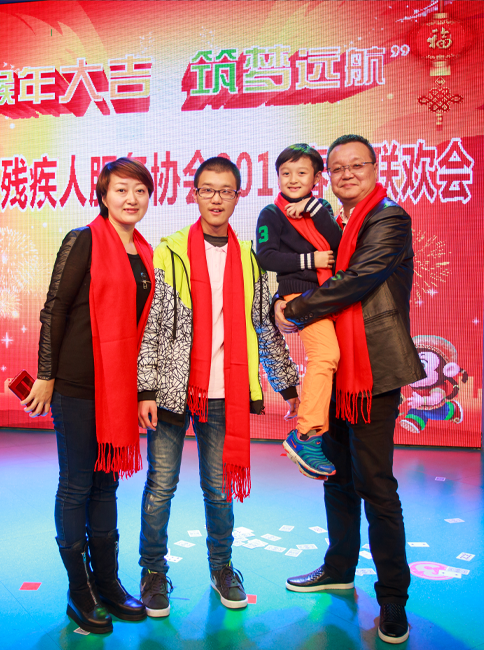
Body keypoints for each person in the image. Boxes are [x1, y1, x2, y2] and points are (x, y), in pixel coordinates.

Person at [274, 135, 425, 645]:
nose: (346, 174)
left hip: (373, 373)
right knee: (336, 479)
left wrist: (296, 310)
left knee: (376, 487)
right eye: (336, 168)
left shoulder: (388, 219)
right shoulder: (333, 226)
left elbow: (359, 278)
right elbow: (302, 269)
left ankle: (393, 600)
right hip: (339, 370)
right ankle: (339, 568)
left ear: (375, 168)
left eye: (356, 165)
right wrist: (283, 301)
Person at [137, 156, 299, 616]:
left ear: (237, 197)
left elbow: (263, 326)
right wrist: (146, 389)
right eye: (207, 189)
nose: (216, 199)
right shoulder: (170, 252)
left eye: (225, 191)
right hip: (173, 388)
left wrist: (288, 386)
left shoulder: (250, 259)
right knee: (160, 486)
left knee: (219, 488)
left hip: (224, 390)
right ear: (194, 194)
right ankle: (152, 572)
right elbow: (153, 324)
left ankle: (222, 567)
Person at [23, 158, 155, 634]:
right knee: (77, 484)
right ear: (103, 195)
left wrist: (142, 389)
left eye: (140, 190)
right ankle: (79, 591)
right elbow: (55, 308)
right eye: (121, 190)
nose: (131, 199)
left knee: (106, 485)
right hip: (77, 385)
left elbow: (143, 328)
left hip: (117, 390)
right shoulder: (83, 239)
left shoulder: (144, 251)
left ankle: (108, 583)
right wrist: (45, 374)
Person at [256, 144, 342, 478]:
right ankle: (306, 434)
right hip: (300, 296)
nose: (293, 179)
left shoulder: (322, 209)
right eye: (285, 173)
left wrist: (316, 210)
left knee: (333, 360)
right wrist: (311, 260)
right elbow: (266, 256)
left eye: (301, 173)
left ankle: (318, 433)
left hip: (330, 294)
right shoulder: (271, 213)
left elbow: (339, 246)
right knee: (326, 355)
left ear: (317, 178)